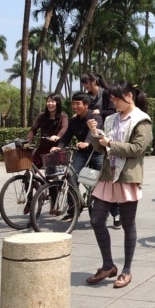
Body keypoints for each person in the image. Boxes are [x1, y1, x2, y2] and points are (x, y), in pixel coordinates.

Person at [85, 80, 152, 289]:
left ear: (129, 96)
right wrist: (95, 133)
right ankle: (108, 265)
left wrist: (110, 144)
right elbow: (99, 147)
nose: (114, 103)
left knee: (127, 223)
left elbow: (138, 148)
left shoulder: (142, 120)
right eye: (112, 99)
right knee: (96, 219)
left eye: (116, 99)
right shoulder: (111, 118)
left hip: (127, 177)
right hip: (108, 175)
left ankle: (126, 270)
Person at [51, 92, 103, 221]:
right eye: (73, 103)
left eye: (77, 104)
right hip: (82, 153)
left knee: (103, 182)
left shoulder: (95, 117)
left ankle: (115, 213)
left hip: (97, 153)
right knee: (69, 175)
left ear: (86, 105)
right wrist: (59, 146)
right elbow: (67, 136)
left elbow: (94, 133)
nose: (74, 106)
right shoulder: (73, 121)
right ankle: (74, 207)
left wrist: (87, 142)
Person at [81, 72, 121, 229]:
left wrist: (99, 113)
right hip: (91, 138)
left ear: (93, 81)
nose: (85, 86)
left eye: (86, 83)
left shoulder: (106, 94)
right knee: (88, 177)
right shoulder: (88, 97)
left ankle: (116, 214)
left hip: (104, 139)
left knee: (106, 181)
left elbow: (113, 112)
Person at [26, 93, 68, 168]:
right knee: (33, 167)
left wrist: (57, 136)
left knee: (52, 173)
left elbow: (64, 127)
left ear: (57, 103)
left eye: (52, 101)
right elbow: (33, 129)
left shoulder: (63, 116)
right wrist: (27, 140)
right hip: (43, 146)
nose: (50, 104)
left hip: (55, 147)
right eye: (48, 101)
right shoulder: (42, 116)